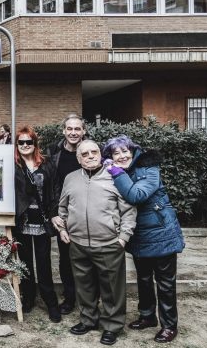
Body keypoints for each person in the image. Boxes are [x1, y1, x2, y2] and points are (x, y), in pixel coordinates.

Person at [102, 135, 185, 344]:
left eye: (124, 151)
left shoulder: (149, 169)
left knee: (165, 283)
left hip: (161, 233)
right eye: (115, 153)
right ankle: (148, 316)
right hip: (139, 235)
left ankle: (169, 326)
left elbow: (136, 195)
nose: (121, 156)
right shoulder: (122, 171)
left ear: (133, 150)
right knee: (144, 279)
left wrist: (114, 171)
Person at [56, 140, 137, 346]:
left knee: (112, 288)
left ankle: (112, 325)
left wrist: (123, 238)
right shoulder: (71, 178)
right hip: (78, 243)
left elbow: (128, 210)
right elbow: (63, 208)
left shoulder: (116, 176)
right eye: (85, 154)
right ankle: (88, 320)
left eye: (94, 152)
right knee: (84, 286)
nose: (90, 156)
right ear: (78, 158)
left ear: (101, 154)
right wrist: (63, 228)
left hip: (109, 243)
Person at [13, 125, 61, 322]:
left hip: (41, 219)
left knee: (43, 263)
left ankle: (51, 302)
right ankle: (29, 298)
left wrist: (55, 213)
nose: (25, 145)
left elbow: (55, 189)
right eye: (21, 142)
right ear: (17, 145)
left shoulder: (46, 164)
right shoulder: (13, 165)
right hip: (22, 220)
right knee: (24, 263)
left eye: (28, 142)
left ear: (34, 143)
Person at [47, 114, 87, 315]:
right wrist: (54, 213)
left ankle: (90, 298)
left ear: (83, 131)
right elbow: (50, 186)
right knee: (66, 258)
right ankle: (70, 297)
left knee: (89, 258)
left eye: (77, 129)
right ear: (63, 131)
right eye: (69, 129)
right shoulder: (54, 152)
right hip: (64, 214)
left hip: (87, 212)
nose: (73, 133)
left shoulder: (90, 151)